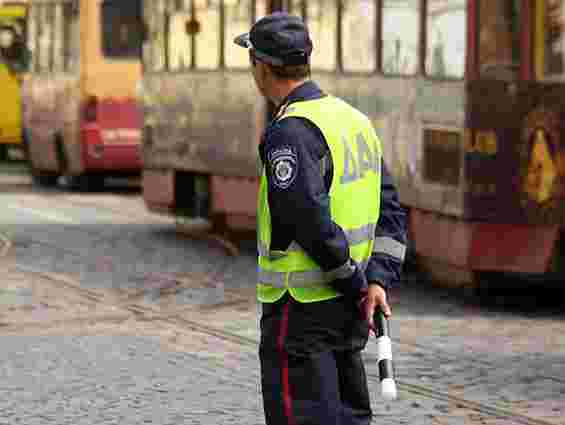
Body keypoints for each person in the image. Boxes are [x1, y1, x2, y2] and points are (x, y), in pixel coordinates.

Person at [234, 12, 407, 425]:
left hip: (302, 309)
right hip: (350, 307)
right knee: (347, 417)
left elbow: (306, 219)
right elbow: (391, 210)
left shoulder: (289, 132)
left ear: (261, 66)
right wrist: (377, 281)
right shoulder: (354, 122)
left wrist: (353, 281)